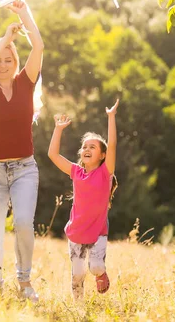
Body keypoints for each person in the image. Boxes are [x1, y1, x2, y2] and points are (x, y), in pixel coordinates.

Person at [0, 0, 44, 302]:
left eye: (8, 58)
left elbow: (39, 46)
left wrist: (24, 14)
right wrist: (5, 37)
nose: (2, 65)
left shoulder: (26, 83)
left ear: (15, 61)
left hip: (24, 169)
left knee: (23, 223)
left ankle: (25, 282)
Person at [47, 99, 119, 300]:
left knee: (95, 267)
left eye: (93, 147)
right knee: (77, 274)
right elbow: (52, 154)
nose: (87, 149)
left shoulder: (105, 173)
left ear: (102, 155)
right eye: (85, 146)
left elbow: (112, 145)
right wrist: (58, 129)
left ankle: (101, 274)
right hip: (76, 231)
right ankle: (79, 310)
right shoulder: (76, 172)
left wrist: (111, 117)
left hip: (98, 232)